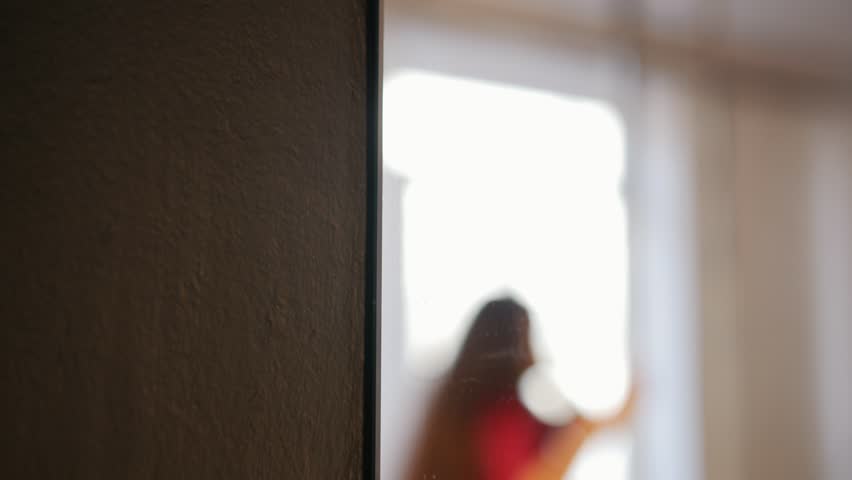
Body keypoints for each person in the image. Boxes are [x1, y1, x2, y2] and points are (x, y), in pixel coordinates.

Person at [405, 297, 636, 480]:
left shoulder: (456, 410)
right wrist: (581, 433)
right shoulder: (503, 417)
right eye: (529, 337)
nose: (535, 350)